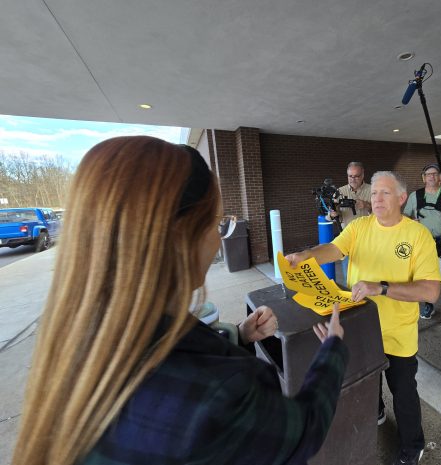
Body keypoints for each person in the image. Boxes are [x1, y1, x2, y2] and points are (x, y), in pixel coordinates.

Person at [11, 136, 348, 465]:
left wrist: (237, 335)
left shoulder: (73, 340)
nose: (219, 241)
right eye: (217, 223)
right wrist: (332, 350)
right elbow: (302, 432)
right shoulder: (223, 391)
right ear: (181, 237)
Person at [287, 171, 441, 465]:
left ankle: (413, 445)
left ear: (401, 197)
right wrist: (307, 254)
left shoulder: (417, 235)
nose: (377, 199)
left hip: (397, 333)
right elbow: (334, 249)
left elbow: (431, 291)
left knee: (403, 390)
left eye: (385, 193)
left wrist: (380, 288)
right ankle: (377, 411)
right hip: (360, 326)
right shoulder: (359, 227)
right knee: (366, 380)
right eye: (374, 194)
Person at [403, 163, 441, 330]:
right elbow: (404, 217)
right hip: (421, 245)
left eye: (435, 174)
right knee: (426, 278)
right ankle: (429, 304)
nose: (432, 177)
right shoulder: (415, 196)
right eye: (429, 174)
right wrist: (409, 222)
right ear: (424, 177)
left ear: (440, 177)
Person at [327, 161, 371, 283]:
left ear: (362, 175)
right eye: (350, 176)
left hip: (369, 240)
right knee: (349, 276)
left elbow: (383, 213)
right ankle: (353, 299)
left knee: (370, 276)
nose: (353, 179)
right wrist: (333, 214)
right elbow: (329, 215)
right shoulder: (339, 192)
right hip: (348, 240)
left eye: (356, 176)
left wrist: (367, 206)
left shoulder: (373, 190)